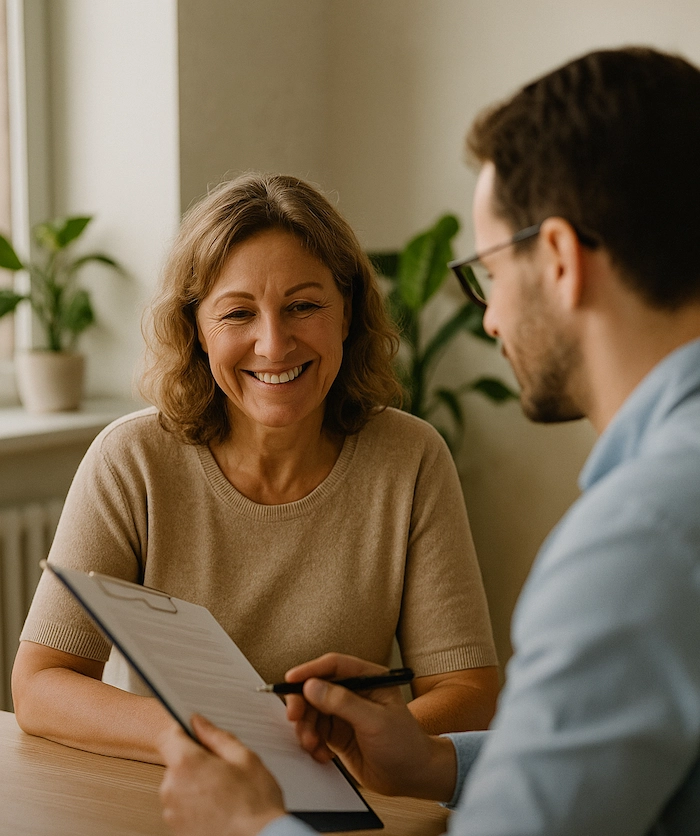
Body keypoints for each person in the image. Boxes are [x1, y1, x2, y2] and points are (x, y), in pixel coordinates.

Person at [157, 47, 700, 836]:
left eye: (488, 269)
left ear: (563, 260)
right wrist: (437, 761)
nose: (487, 312)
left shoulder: (640, 537)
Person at [12, 173, 499, 771]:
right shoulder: (131, 460)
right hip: (177, 794)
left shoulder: (412, 458)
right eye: (238, 313)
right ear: (197, 330)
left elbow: (469, 692)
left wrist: (339, 759)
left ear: (346, 312)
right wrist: (200, 738)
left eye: (303, 306)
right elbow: (41, 684)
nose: (273, 344)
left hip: (353, 802)